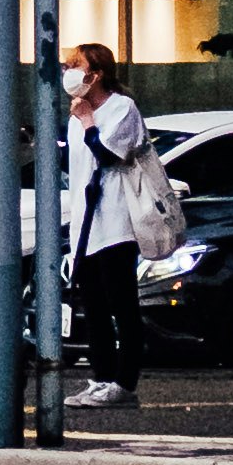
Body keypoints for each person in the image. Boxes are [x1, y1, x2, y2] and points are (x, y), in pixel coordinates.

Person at [64, 39, 149, 410]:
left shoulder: (121, 108)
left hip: (117, 223)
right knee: (93, 307)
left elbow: (108, 154)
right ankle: (99, 378)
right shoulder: (73, 117)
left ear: (95, 74)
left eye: (76, 64)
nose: (69, 71)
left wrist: (87, 120)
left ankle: (124, 383)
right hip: (86, 227)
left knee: (123, 306)